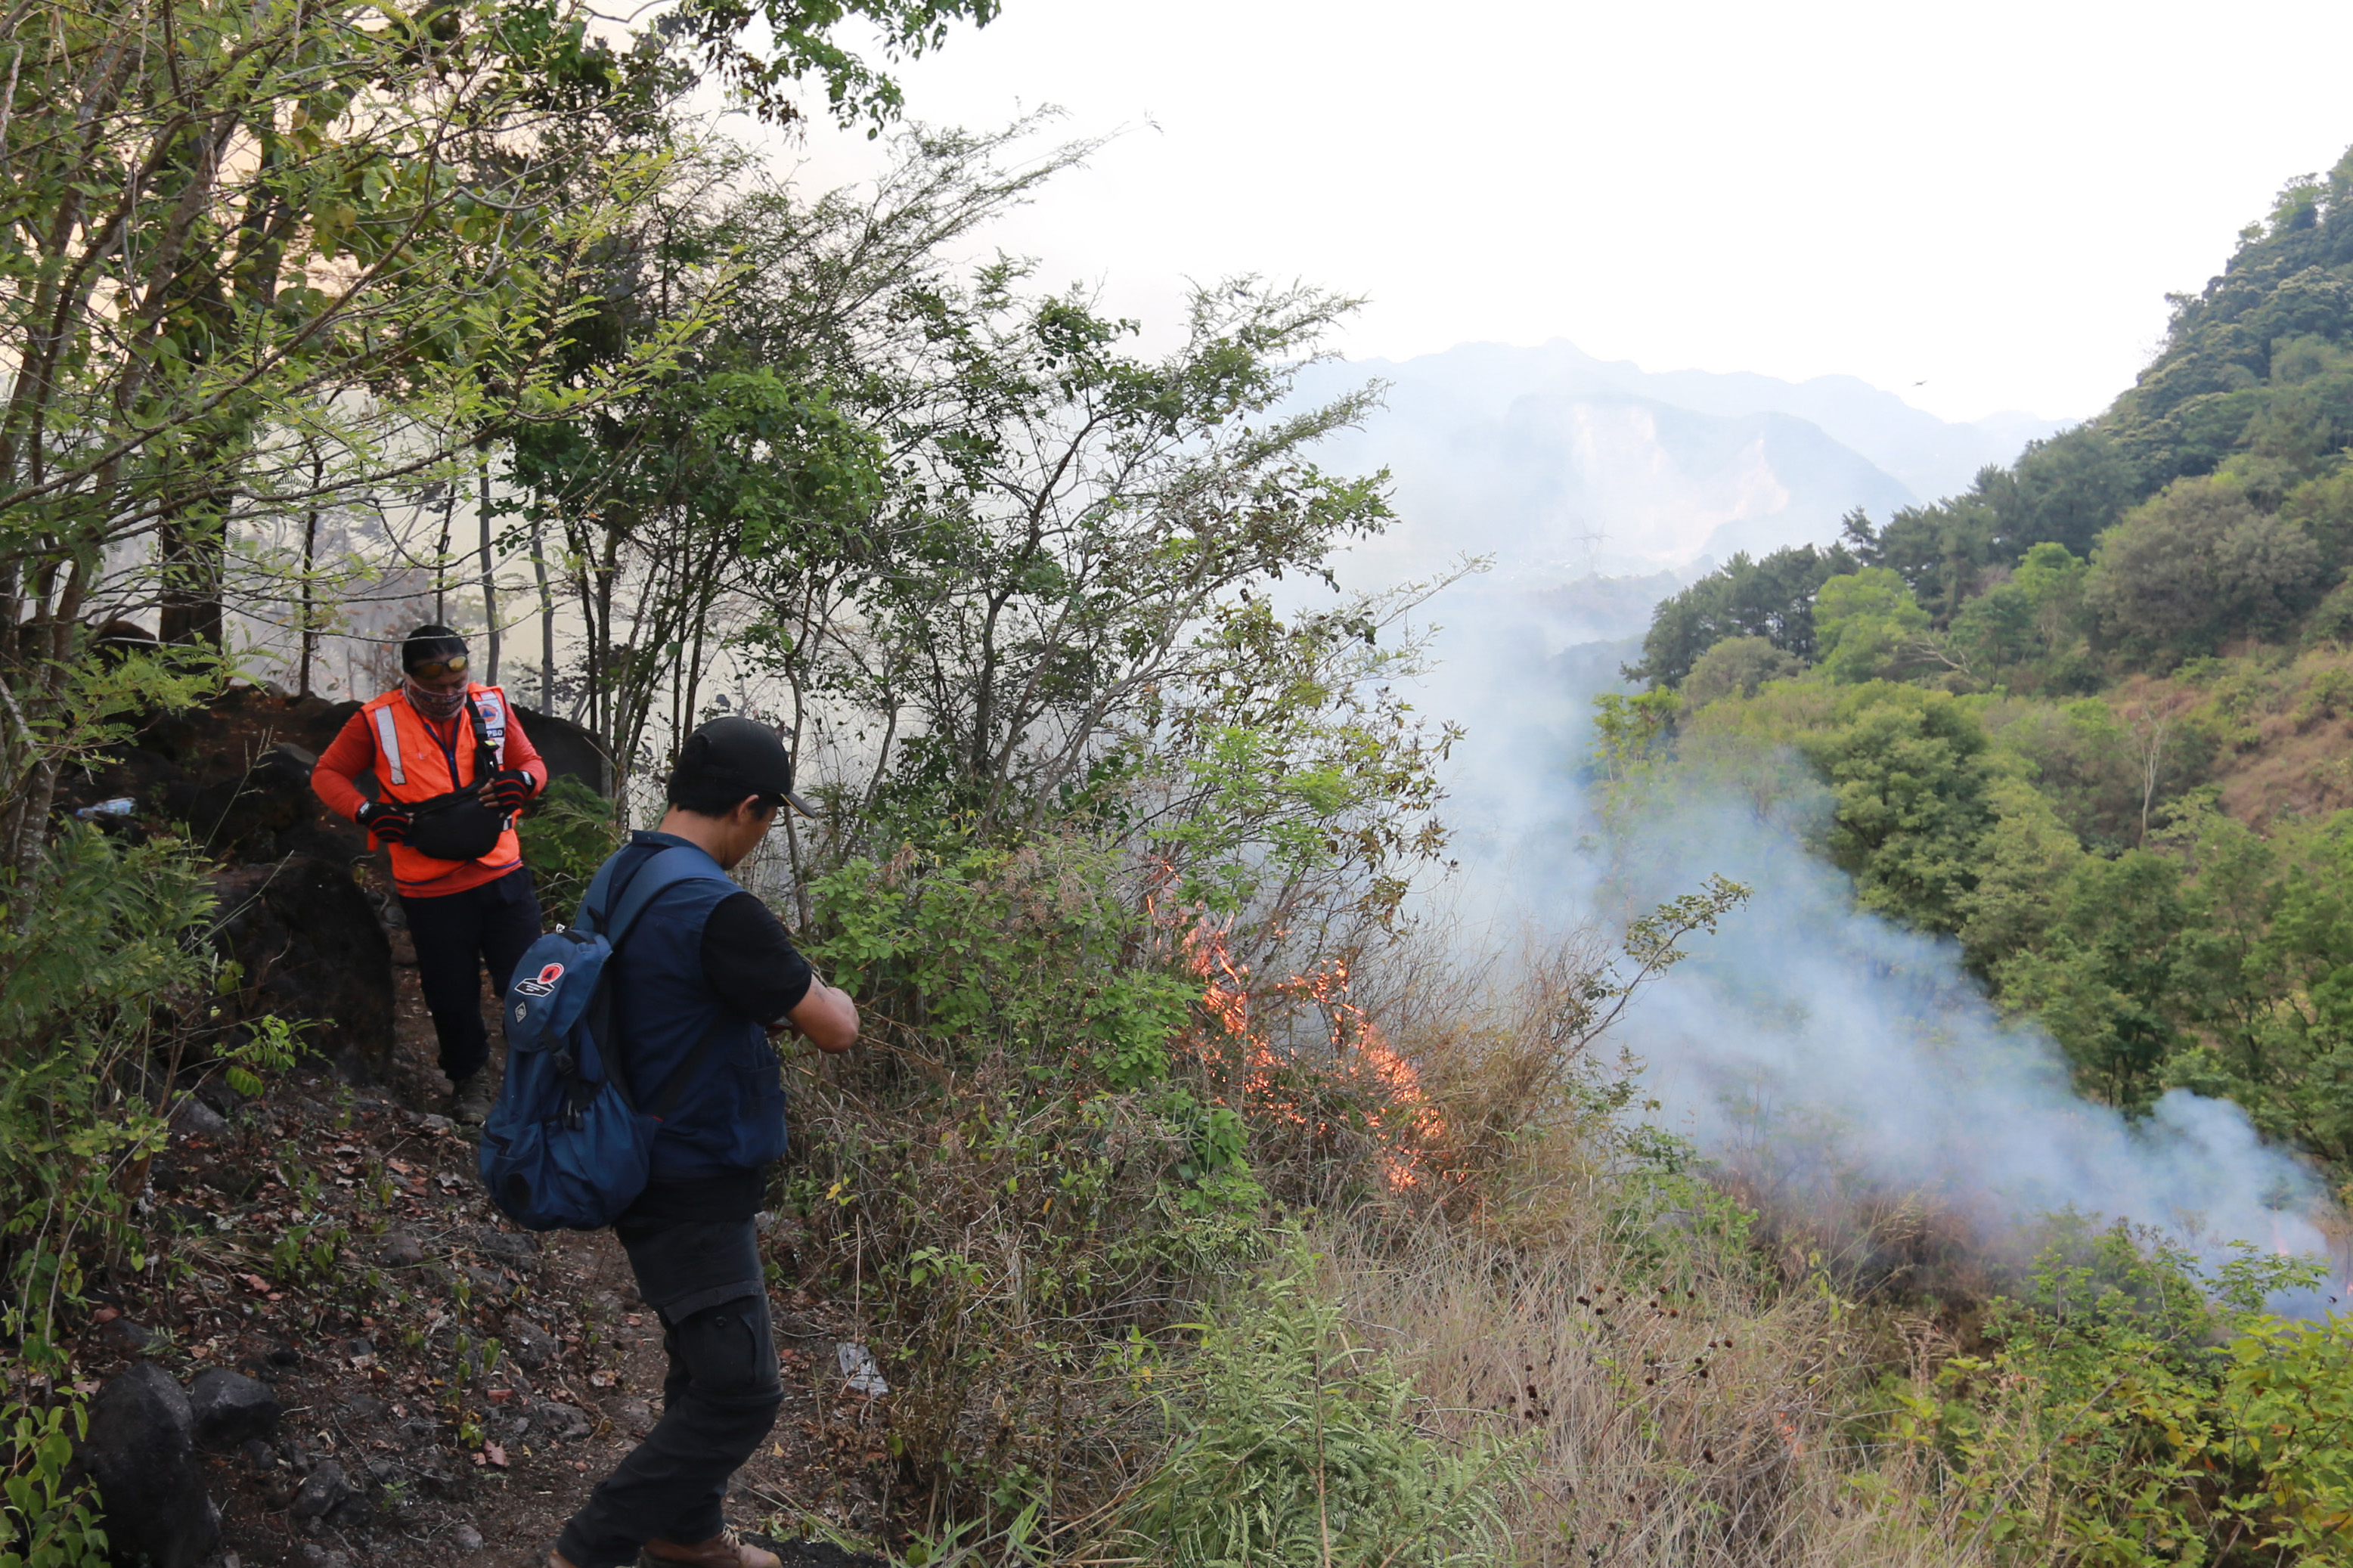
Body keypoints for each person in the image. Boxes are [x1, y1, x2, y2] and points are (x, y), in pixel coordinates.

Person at [550, 717, 859, 1568]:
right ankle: (584, 1549)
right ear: (750, 808)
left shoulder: (624, 872)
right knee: (740, 1392)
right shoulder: (720, 908)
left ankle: (686, 1537)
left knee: (700, 1362)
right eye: (770, 819)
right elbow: (834, 1027)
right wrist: (817, 985)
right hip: (690, 1171)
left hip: (628, 1144)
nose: (764, 837)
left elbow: (661, 992)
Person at [312, 625, 547, 1123]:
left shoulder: (489, 705)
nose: (447, 696)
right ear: (409, 680)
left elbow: (530, 763)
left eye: (455, 686)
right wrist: (367, 812)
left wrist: (522, 782)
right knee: (450, 991)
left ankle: (544, 1079)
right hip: (430, 885)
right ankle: (470, 1084)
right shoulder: (376, 721)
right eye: (434, 688)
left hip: (502, 872)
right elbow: (327, 775)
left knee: (530, 983)